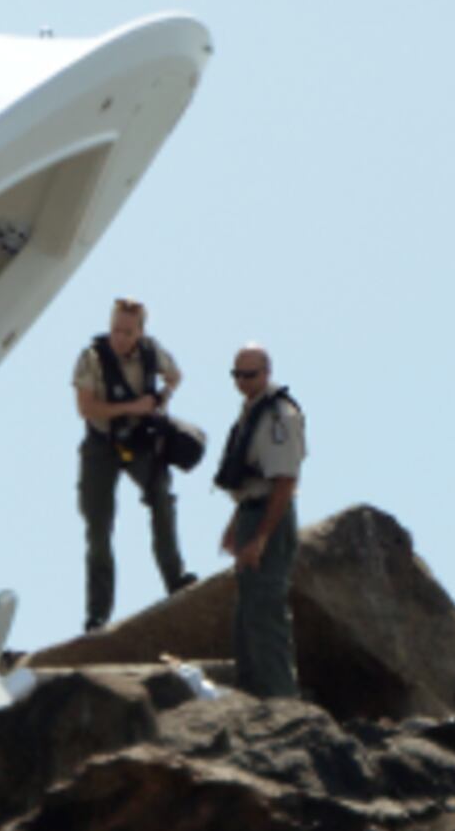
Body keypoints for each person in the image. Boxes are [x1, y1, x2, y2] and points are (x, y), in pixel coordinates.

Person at [73, 297, 197, 632]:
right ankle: (98, 613)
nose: (120, 337)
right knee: (98, 528)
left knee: (162, 500)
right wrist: (132, 407)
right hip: (101, 446)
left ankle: (176, 580)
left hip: (140, 443)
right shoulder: (92, 358)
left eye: (128, 332)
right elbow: (86, 408)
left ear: (140, 332)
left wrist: (158, 401)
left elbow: (175, 375)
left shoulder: (151, 352)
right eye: (116, 329)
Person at [214, 345, 306, 697]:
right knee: (246, 615)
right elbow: (249, 478)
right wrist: (236, 524)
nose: (242, 381)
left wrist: (262, 538)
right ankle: (252, 697)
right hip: (252, 511)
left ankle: (281, 699)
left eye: (249, 374)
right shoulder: (251, 411)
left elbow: (283, 482)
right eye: (236, 374)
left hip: (271, 516)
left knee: (265, 612)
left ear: (266, 373)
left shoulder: (279, 415)